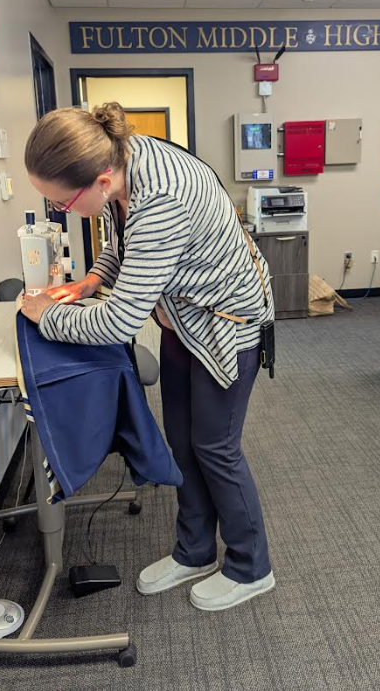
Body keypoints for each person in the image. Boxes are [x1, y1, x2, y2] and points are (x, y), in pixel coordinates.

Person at [20, 102, 275, 611]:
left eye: (64, 205)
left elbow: (117, 322)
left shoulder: (162, 200)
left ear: (103, 178)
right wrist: (91, 280)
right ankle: (196, 550)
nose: (60, 213)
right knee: (182, 443)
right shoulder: (121, 165)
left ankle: (252, 567)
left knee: (216, 447)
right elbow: (122, 244)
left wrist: (44, 315)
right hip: (182, 318)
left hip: (229, 326)